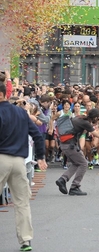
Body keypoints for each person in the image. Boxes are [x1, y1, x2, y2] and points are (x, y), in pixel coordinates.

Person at [0, 82, 48, 251]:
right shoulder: (21, 113)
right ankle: (26, 240)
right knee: (22, 203)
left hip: (1, 158)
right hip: (19, 161)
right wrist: (41, 156)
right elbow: (37, 135)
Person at [54, 108, 99, 196]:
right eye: (98, 117)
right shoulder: (85, 123)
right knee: (84, 163)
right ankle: (75, 187)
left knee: (76, 163)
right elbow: (98, 135)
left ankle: (63, 179)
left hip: (66, 144)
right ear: (95, 117)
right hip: (70, 145)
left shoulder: (79, 118)